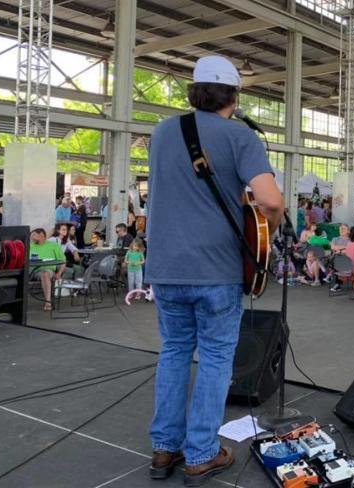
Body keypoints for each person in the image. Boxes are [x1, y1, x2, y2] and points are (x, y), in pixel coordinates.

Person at [145, 55, 283, 483]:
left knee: (173, 351)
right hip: (216, 269)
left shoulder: (162, 132)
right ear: (234, 97)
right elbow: (270, 200)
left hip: (165, 266)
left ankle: (164, 448)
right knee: (216, 358)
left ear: (194, 92)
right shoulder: (240, 136)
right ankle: (201, 453)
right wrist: (269, 233)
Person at [29, 228, 66, 312]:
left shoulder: (53, 245)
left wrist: (59, 273)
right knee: (43, 273)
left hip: (49, 270)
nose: (31, 237)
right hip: (33, 271)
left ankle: (48, 302)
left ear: (41, 235)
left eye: (34, 235)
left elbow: (63, 261)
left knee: (45, 273)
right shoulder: (30, 246)